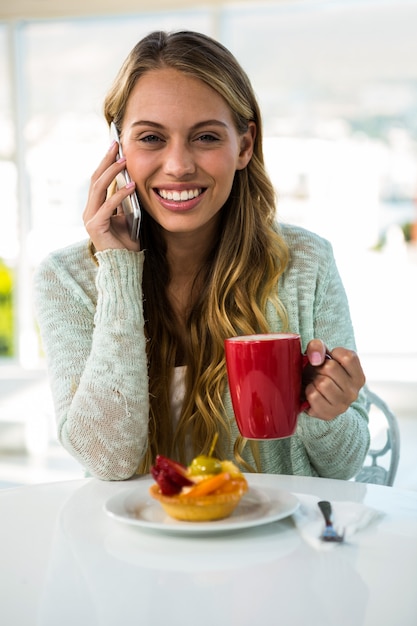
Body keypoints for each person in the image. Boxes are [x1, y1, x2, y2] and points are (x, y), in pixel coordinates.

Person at [34, 30, 369, 481]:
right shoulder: (67, 278)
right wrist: (117, 271)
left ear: (244, 146)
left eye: (206, 137)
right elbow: (108, 460)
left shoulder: (306, 262)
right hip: (136, 545)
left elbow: (345, 465)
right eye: (151, 138)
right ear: (119, 150)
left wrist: (326, 411)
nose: (178, 165)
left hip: (274, 542)